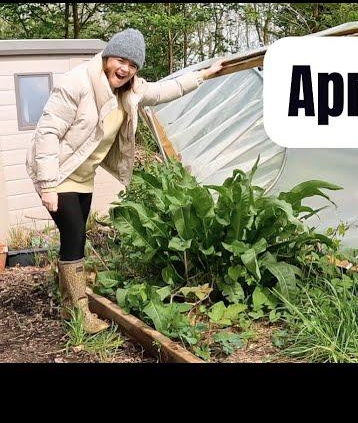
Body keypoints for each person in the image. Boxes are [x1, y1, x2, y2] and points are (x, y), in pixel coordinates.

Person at [26, 28, 225, 333]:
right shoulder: (77, 83)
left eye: (133, 65)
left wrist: (204, 75)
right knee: (76, 236)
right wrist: (49, 185)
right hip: (59, 174)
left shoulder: (130, 90)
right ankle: (80, 315)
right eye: (121, 60)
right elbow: (47, 133)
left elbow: (164, 90)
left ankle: (70, 304)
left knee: (74, 239)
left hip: (83, 178)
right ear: (107, 57)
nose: (125, 69)